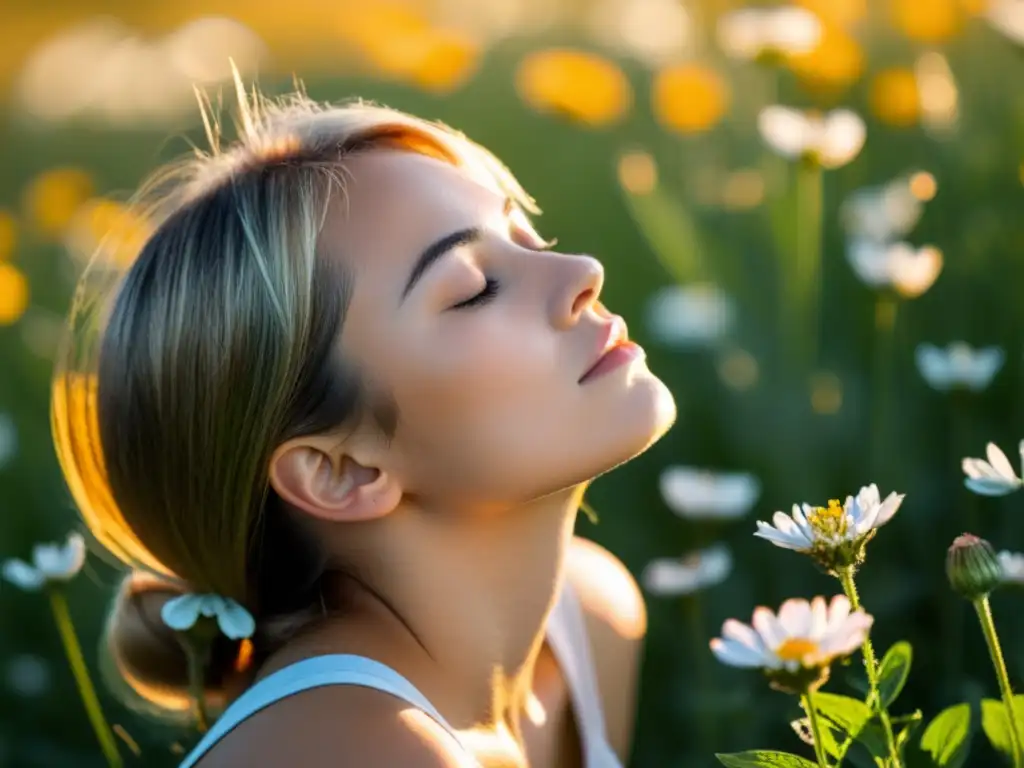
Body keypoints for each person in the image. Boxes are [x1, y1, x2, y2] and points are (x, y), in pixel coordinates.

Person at [51, 78, 677, 767]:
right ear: (341, 469)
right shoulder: (359, 749)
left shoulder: (591, 619)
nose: (581, 270)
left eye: (529, 236)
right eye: (475, 290)